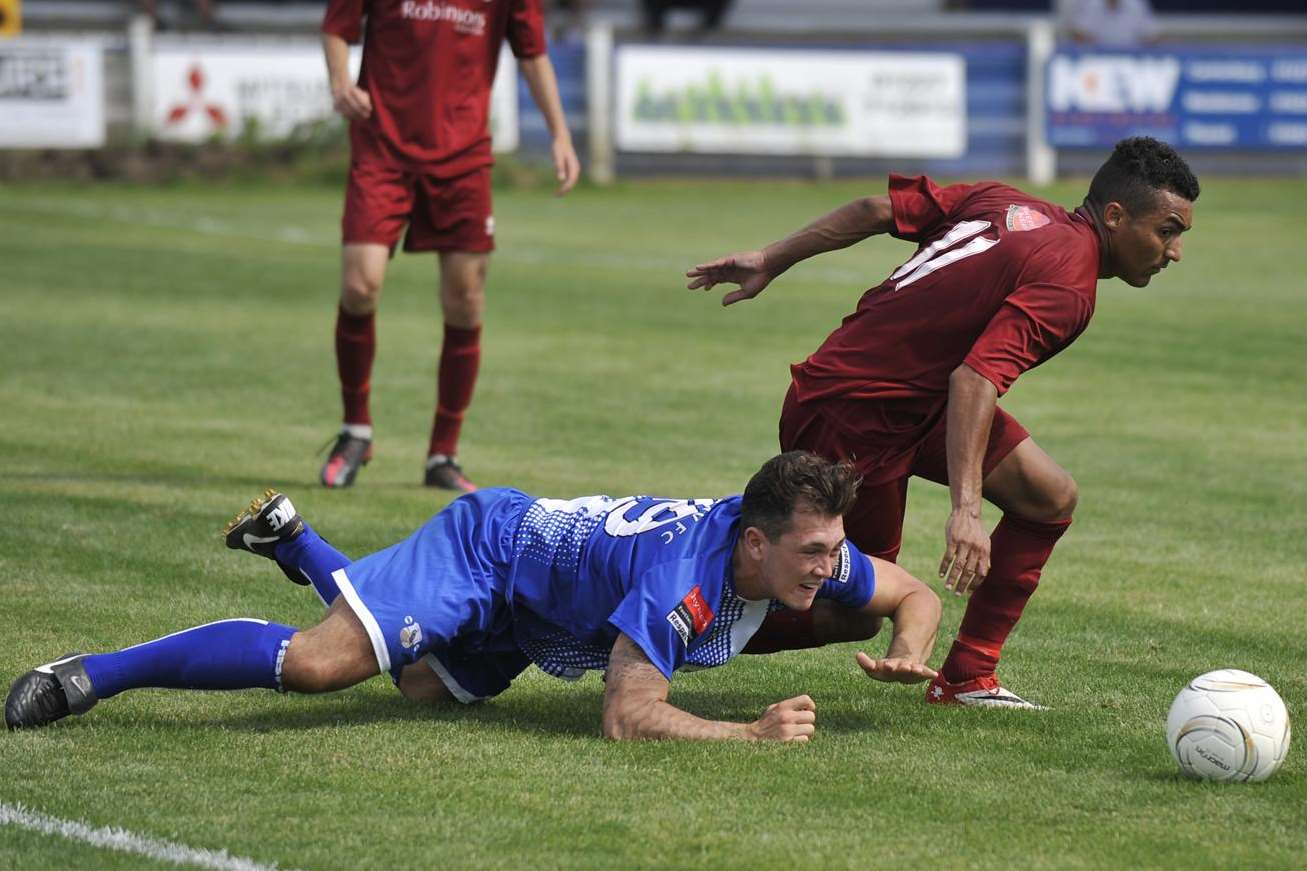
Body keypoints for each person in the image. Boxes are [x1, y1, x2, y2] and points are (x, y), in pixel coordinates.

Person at [687, 137, 1198, 708]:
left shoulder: (1004, 201)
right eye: (1168, 231)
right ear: (1115, 216)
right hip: (856, 415)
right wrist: (966, 512)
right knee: (852, 613)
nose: (1173, 251)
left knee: (1049, 496)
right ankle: (667, 628)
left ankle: (967, 677)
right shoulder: (1069, 285)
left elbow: (873, 210)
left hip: (913, 403)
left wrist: (771, 257)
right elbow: (975, 380)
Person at [6, 453, 941, 740]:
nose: (830, 567)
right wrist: (748, 732)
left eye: (834, 549)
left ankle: (295, 540)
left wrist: (906, 645)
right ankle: (90, 674)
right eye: (814, 552)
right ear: (753, 542)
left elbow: (914, 591)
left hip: (544, 612)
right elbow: (625, 714)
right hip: (489, 551)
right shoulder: (683, 582)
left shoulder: (801, 548)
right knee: (322, 665)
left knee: (416, 687)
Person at [318, 0, 581, 493]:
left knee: (465, 299)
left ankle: (443, 453)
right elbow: (337, 27)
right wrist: (340, 82)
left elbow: (532, 52)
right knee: (360, 284)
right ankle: (356, 430)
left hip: (462, 156)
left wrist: (560, 134)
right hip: (382, 147)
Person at [1062, 0, 1160, 49]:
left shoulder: (1137, 5)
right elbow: (1078, 35)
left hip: (1132, 62)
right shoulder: (1090, 4)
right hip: (1095, 62)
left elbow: (1152, 37)